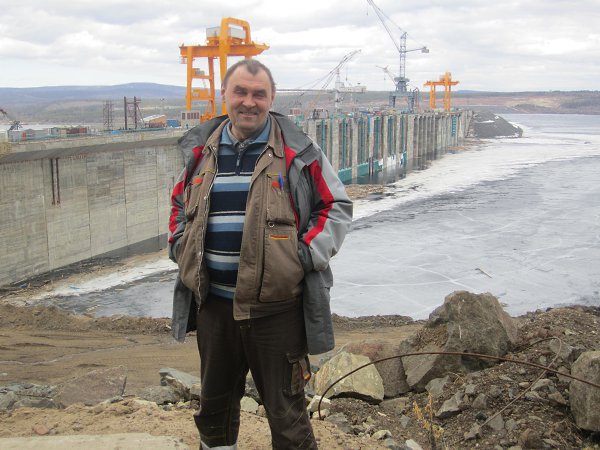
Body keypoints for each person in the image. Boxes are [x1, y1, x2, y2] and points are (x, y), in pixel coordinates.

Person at [167, 58, 352, 449]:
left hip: (277, 312)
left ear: (272, 98)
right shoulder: (202, 152)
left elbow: (335, 206)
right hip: (214, 307)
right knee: (214, 411)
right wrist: (180, 247)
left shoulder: (298, 152)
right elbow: (179, 205)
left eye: (258, 94)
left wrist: (302, 257)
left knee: (287, 417)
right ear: (225, 95)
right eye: (240, 92)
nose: (248, 102)